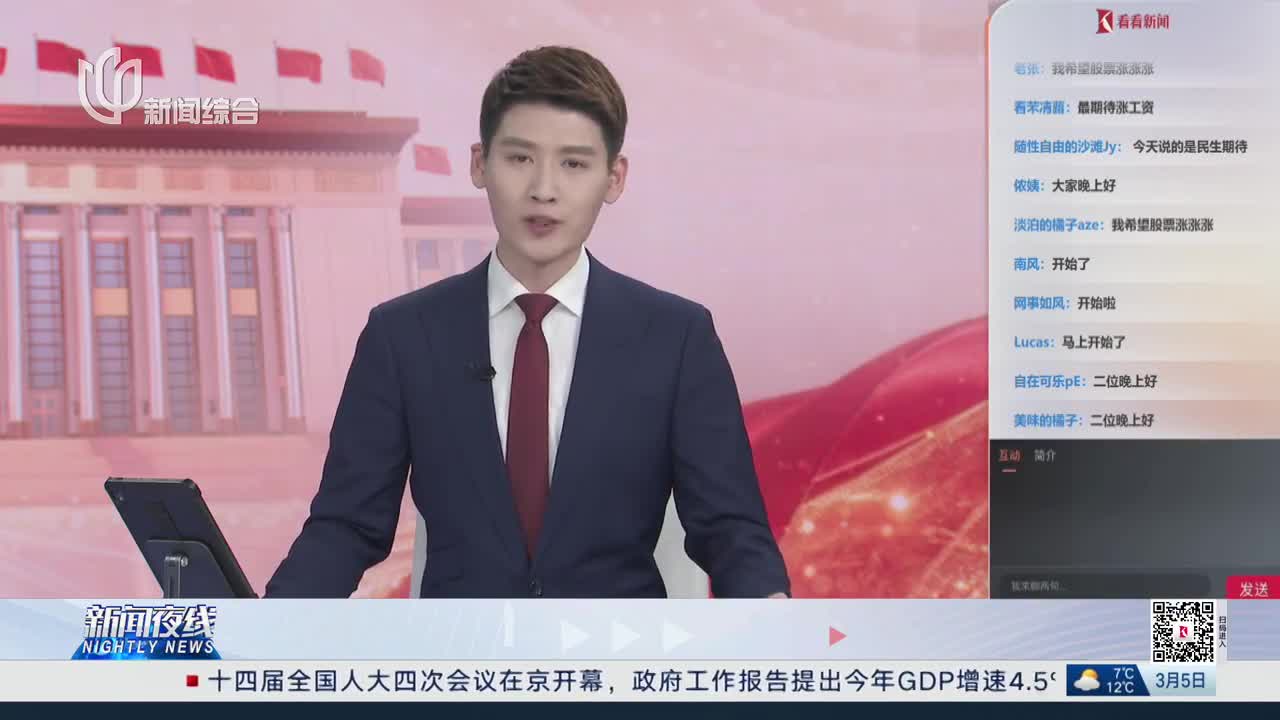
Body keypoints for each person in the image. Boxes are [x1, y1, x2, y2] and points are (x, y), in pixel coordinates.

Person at [265, 46, 789, 599]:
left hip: (617, 650)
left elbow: (730, 530)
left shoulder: (676, 338)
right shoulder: (403, 337)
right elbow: (346, 527)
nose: (543, 189)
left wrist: (770, 609)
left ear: (614, 178)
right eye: (519, 159)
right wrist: (261, 628)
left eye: (574, 164)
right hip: (460, 650)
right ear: (479, 164)